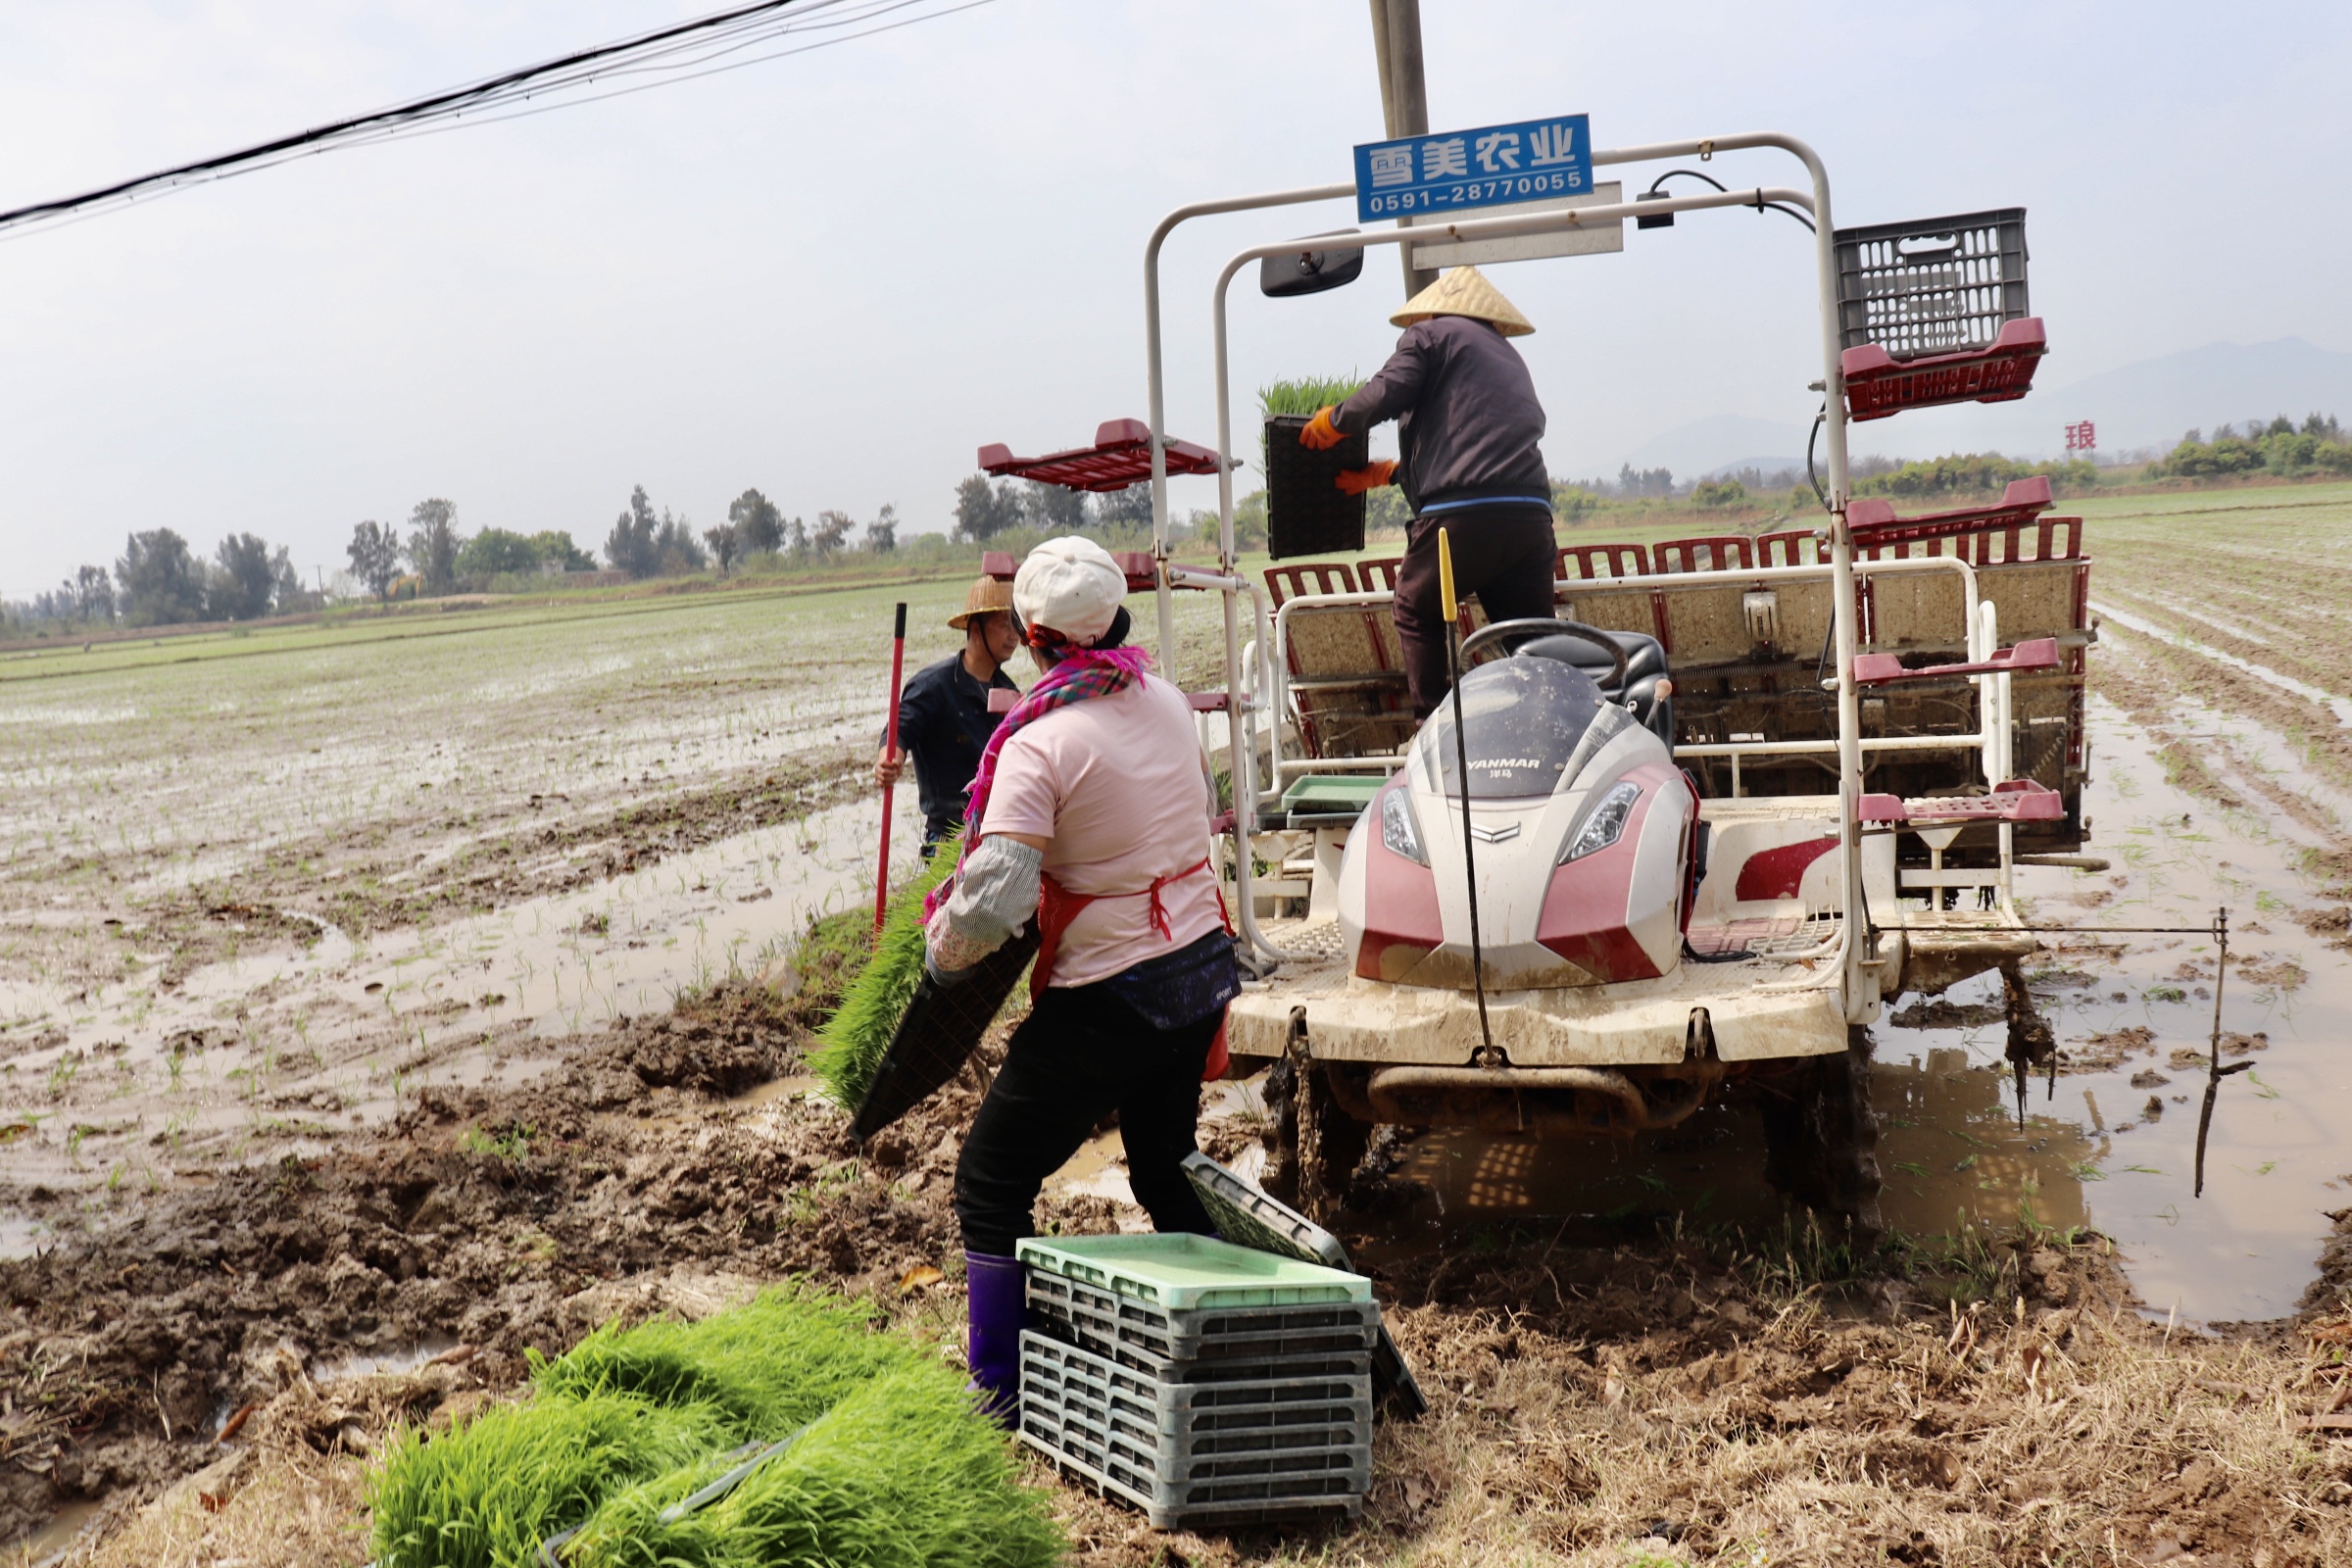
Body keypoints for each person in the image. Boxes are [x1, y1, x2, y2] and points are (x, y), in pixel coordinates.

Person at [924, 536, 1238, 1417]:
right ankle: (1242, 1322)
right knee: (1164, 1168)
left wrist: (939, 959)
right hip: (1200, 970)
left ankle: (998, 1392)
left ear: (1031, 634)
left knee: (989, 1179)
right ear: (1116, 619)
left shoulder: (1039, 744)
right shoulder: (1170, 701)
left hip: (1115, 994)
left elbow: (991, 901)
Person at [1300, 264, 1557, 717]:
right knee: (1530, 638)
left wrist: (1336, 420)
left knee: (1416, 606)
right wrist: (1386, 473)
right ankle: (1552, 719)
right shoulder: (1504, 354)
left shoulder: (1429, 336)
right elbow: (1472, 443)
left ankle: (1434, 724)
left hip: (1463, 518)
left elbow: (1388, 390)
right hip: (1531, 518)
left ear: (1430, 313)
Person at [873, 577, 1023, 852]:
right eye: (1004, 625)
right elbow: (900, 729)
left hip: (995, 832)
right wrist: (888, 760)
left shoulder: (1008, 690)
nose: (1013, 635)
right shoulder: (934, 685)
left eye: (1015, 625)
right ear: (975, 629)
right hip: (948, 836)